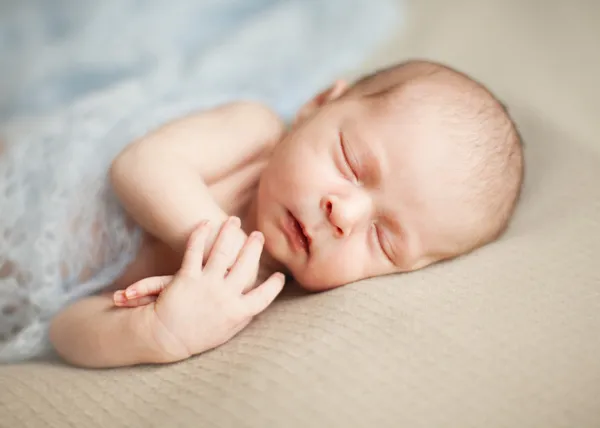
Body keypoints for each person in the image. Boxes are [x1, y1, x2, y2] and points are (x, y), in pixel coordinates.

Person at [3, 60, 524, 367]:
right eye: (351, 163)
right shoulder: (252, 134)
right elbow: (141, 165)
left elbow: (63, 328)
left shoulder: (245, 299)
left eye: (383, 239)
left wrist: (157, 333)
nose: (344, 213)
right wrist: (219, 246)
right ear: (319, 104)